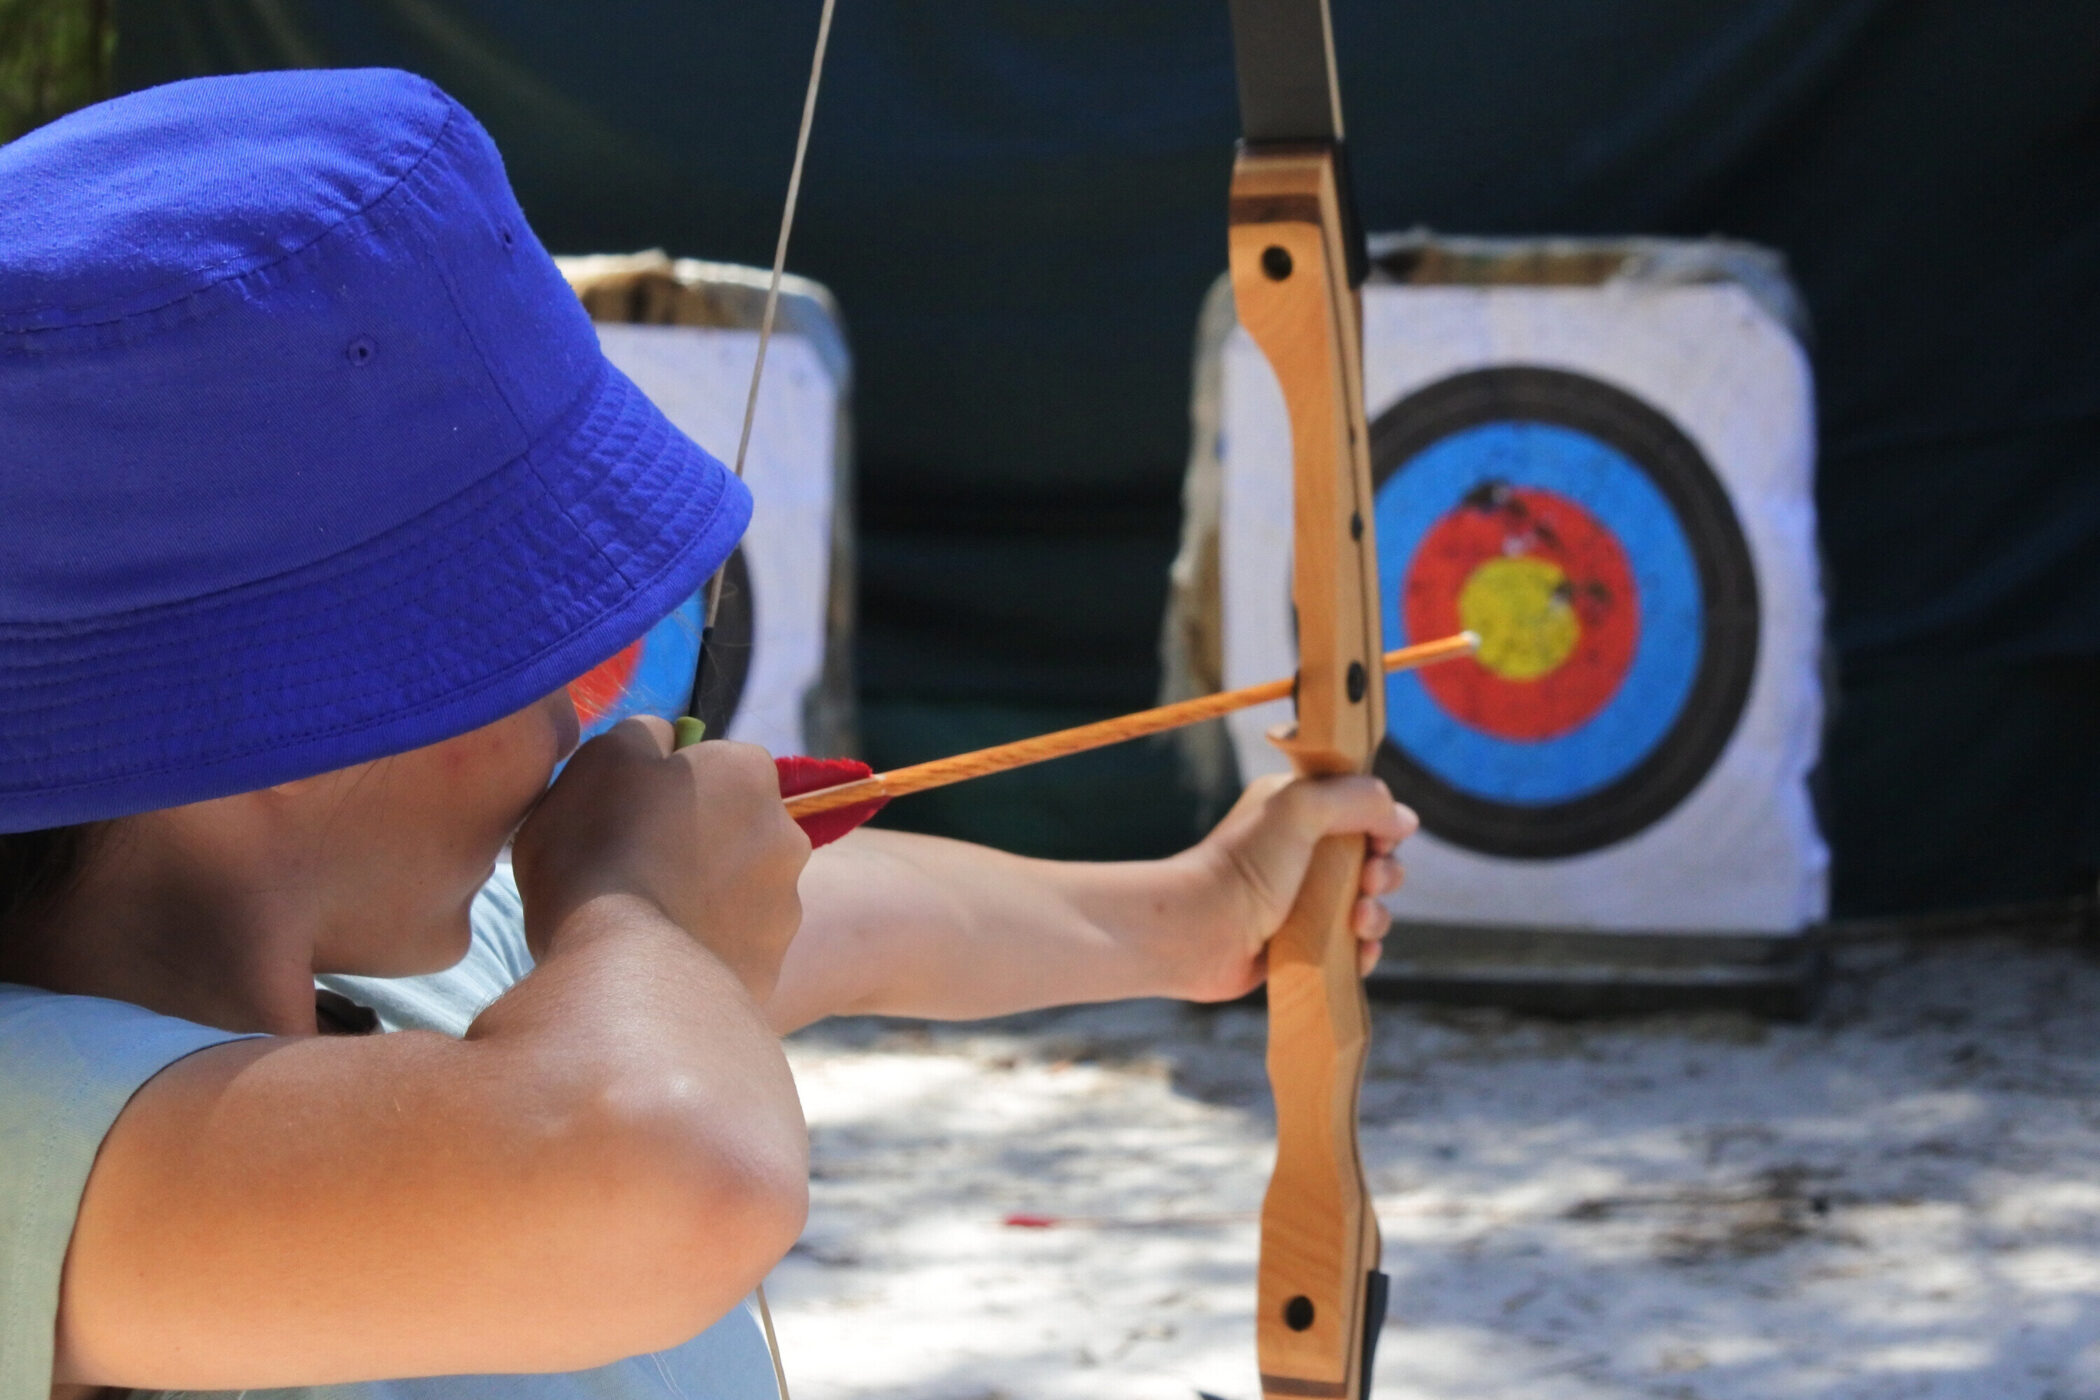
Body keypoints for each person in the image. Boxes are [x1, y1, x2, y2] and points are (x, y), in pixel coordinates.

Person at [0, 69, 1415, 1400]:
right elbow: (674, 1176)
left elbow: (864, 912)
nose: (576, 710)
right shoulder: (39, 1126)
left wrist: (1201, 910)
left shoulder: (458, 967)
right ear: (283, 719)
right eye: (516, 648)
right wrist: (640, 911)